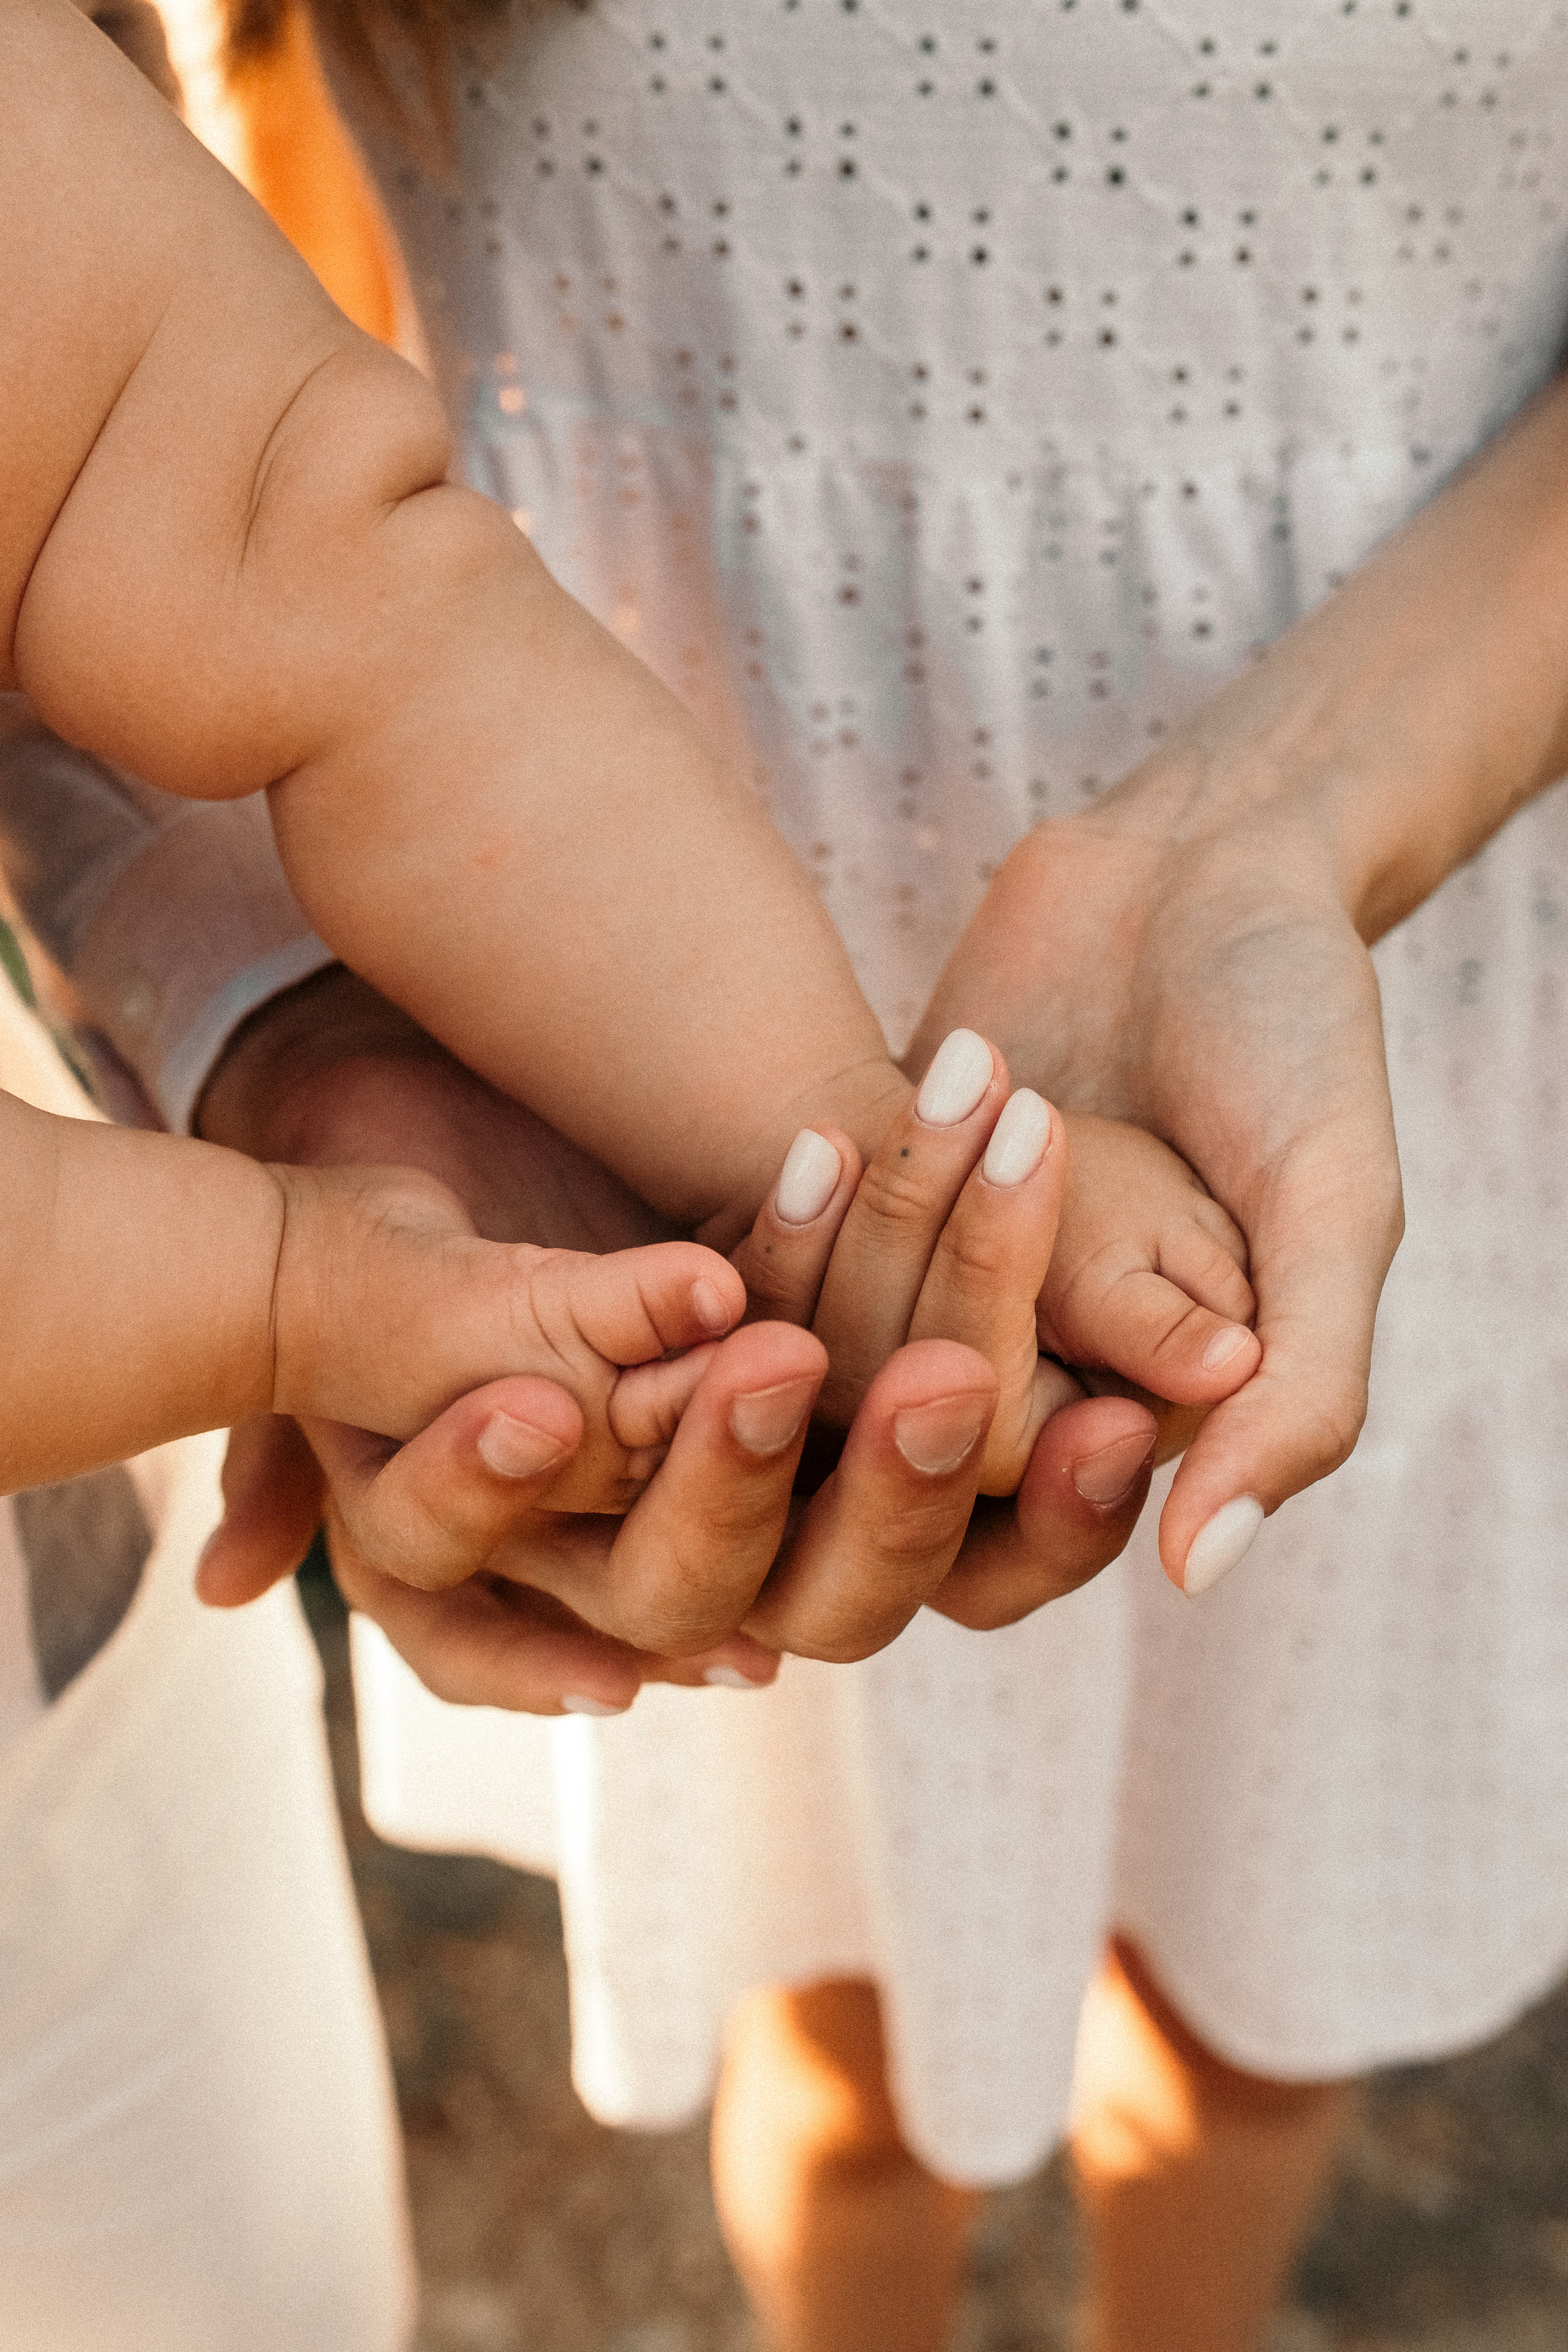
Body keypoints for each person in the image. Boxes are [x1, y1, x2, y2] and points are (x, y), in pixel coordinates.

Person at [18, 2, 1568, 2350]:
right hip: (573, 990)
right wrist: (288, 1252)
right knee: (828, 2019)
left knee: (1258, 2012)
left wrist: (841, 1157)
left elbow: (294, 529)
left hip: (1258, 986)